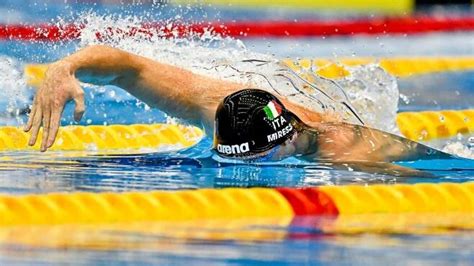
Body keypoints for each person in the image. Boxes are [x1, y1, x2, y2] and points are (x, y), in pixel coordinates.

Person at [24, 45, 450, 174]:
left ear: (286, 142)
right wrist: (65, 68)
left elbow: (440, 181)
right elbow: (129, 69)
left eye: (256, 159)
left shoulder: (347, 151)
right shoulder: (215, 102)